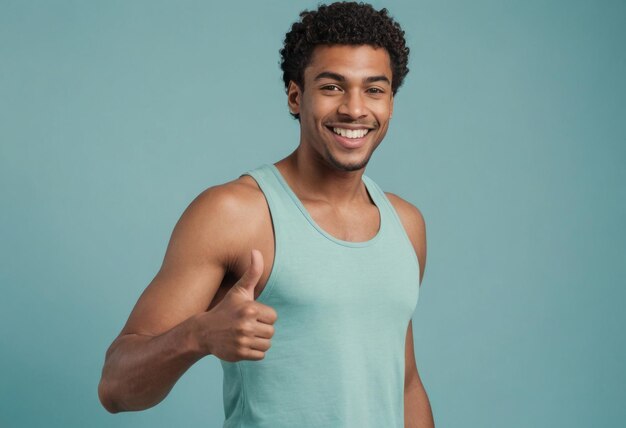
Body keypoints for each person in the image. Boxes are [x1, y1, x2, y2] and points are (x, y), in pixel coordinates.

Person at [98, 2, 434, 427]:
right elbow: (114, 387)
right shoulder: (235, 213)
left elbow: (404, 386)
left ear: (389, 102)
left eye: (374, 89)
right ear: (296, 96)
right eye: (332, 87)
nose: (354, 109)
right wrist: (198, 334)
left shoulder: (406, 225)